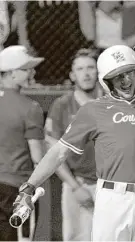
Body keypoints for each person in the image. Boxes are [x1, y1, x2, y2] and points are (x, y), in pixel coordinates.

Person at [12, 43, 135, 241]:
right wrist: (29, 187)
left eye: (128, 73)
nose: (124, 80)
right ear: (106, 80)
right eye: (117, 76)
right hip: (114, 199)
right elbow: (58, 152)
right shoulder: (93, 110)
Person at [45, 48, 102, 241]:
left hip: (111, 185)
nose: (86, 74)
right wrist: (75, 187)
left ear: (99, 71)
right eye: (80, 69)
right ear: (72, 75)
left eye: (90, 68)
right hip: (77, 184)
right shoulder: (61, 106)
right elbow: (54, 152)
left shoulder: (111, 102)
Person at [0, 45, 45, 241]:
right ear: (10, 74)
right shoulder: (30, 108)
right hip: (16, 189)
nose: (32, 72)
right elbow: (38, 157)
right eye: (26, 69)